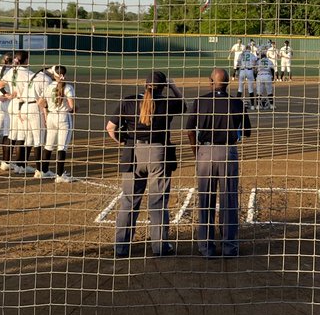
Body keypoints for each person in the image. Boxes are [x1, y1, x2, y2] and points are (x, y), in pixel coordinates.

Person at [107, 71, 186, 257]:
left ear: (145, 85)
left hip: (133, 153)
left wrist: (122, 141)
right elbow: (183, 104)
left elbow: (110, 127)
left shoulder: (129, 101)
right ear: (162, 87)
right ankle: (159, 247)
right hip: (158, 154)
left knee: (129, 202)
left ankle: (121, 247)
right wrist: (173, 87)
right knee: (158, 202)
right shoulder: (167, 103)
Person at [185, 67, 251, 258]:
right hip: (228, 151)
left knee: (206, 199)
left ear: (210, 82)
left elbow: (189, 130)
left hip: (205, 152)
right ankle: (230, 247)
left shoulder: (200, 101)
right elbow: (246, 132)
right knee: (229, 199)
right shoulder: (236, 103)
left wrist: (196, 151)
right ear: (228, 83)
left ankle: (206, 247)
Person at [41, 65, 77, 181]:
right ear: (64, 75)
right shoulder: (68, 87)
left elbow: (41, 102)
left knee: (49, 145)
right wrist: (75, 108)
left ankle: (44, 170)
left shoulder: (48, 87)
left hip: (51, 116)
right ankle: (60, 175)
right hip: (63, 117)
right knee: (62, 147)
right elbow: (72, 107)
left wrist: (46, 115)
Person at [235, 42, 257, 107]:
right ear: (249, 49)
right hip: (249, 71)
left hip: (242, 71)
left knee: (240, 89)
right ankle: (252, 106)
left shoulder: (241, 54)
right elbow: (255, 61)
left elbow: (238, 63)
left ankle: (237, 105)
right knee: (251, 89)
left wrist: (236, 71)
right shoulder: (252, 55)